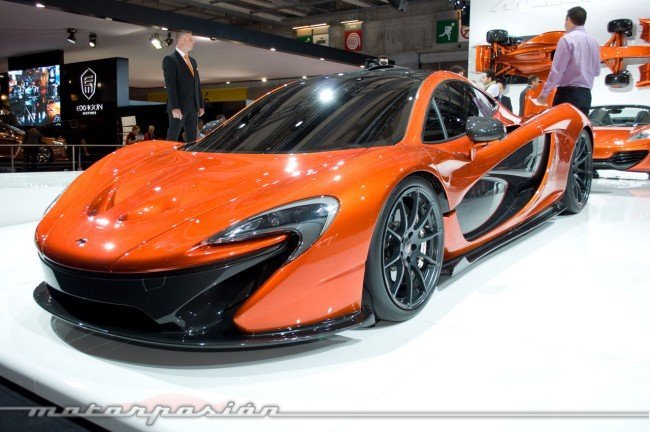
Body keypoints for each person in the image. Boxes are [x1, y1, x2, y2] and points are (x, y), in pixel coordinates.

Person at [535, 6, 600, 115]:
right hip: (586, 96)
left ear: (568, 19)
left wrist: (544, 94)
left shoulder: (567, 39)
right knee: (580, 126)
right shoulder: (594, 42)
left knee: (561, 125)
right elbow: (597, 71)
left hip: (568, 95)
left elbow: (557, 71)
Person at [163, 30, 204, 143]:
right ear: (181, 40)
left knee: (192, 139)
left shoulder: (193, 61)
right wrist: (174, 107)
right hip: (179, 107)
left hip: (193, 107)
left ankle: (191, 155)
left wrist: (200, 104)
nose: (193, 42)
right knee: (172, 137)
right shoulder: (170, 59)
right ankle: (168, 155)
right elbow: (170, 86)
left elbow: (197, 84)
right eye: (190, 39)